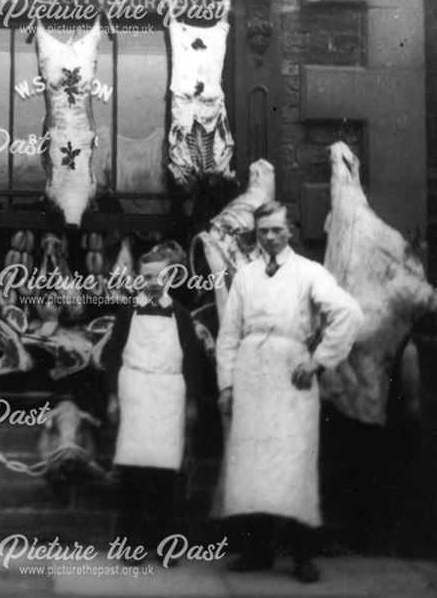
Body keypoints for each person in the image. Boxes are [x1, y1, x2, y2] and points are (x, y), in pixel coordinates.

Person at [216, 201, 362, 583]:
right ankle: (258, 551)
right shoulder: (245, 276)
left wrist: (318, 361)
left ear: (290, 231)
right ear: (256, 233)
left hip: (290, 377)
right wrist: (227, 385)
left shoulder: (308, 273)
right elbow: (229, 333)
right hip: (251, 375)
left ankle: (301, 555)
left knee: (293, 463)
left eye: (277, 230)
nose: (269, 237)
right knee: (253, 464)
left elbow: (348, 313)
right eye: (263, 230)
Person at [102, 251, 204, 564]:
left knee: (165, 475)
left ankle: (165, 545)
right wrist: (112, 397)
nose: (153, 283)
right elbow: (111, 357)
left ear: (169, 278)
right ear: (138, 278)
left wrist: (191, 403)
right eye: (146, 277)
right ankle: (129, 544)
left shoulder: (181, 315)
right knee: (132, 473)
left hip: (168, 397)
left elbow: (194, 364)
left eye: (160, 276)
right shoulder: (126, 313)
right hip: (134, 394)